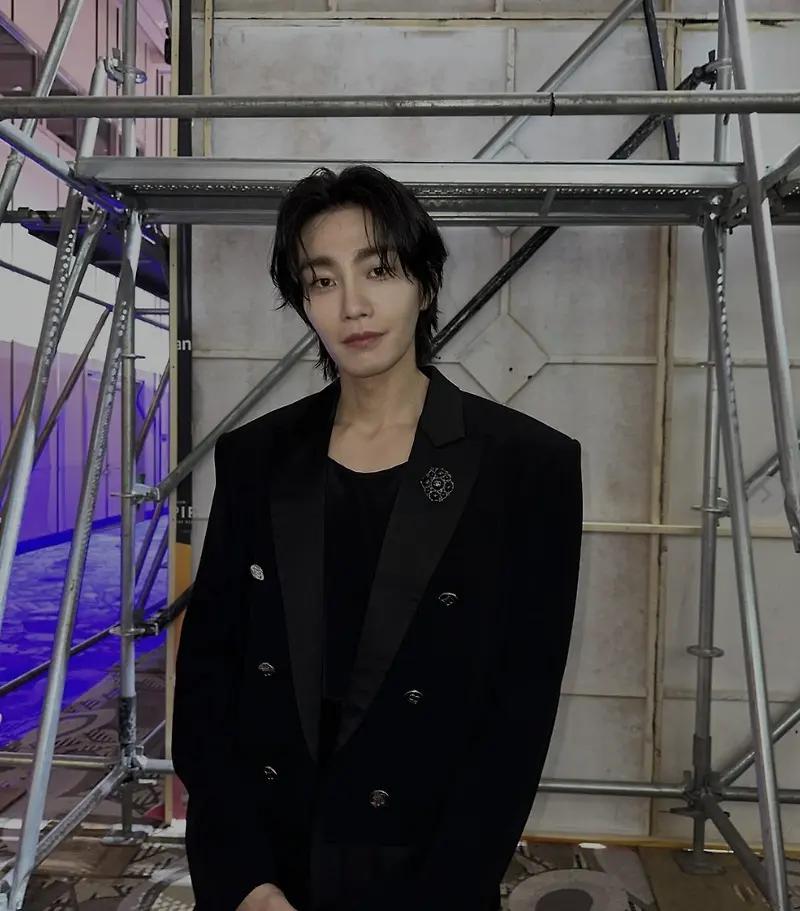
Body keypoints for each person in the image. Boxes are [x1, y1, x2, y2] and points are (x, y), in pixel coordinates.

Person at [171, 164, 583, 911]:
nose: (353, 305)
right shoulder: (257, 457)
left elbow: (517, 718)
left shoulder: (529, 466)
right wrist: (244, 879)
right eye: (322, 280)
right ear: (303, 301)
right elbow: (208, 679)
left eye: (380, 270)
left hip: (422, 869)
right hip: (270, 858)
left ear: (426, 281)